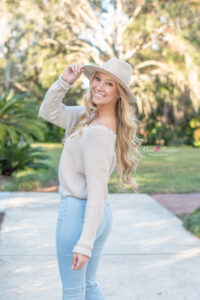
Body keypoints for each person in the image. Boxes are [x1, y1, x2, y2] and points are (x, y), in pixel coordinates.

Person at [38, 57, 143, 299]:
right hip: (96, 215)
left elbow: (98, 191)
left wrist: (84, 245)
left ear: (119, 94)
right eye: (97, 79)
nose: (99, 87)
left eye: (109, 84)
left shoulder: (98, 133)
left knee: (74, 292)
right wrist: (64, 82)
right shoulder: (86, 117)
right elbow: (48, 111)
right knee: (89, 287)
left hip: (80, 215)